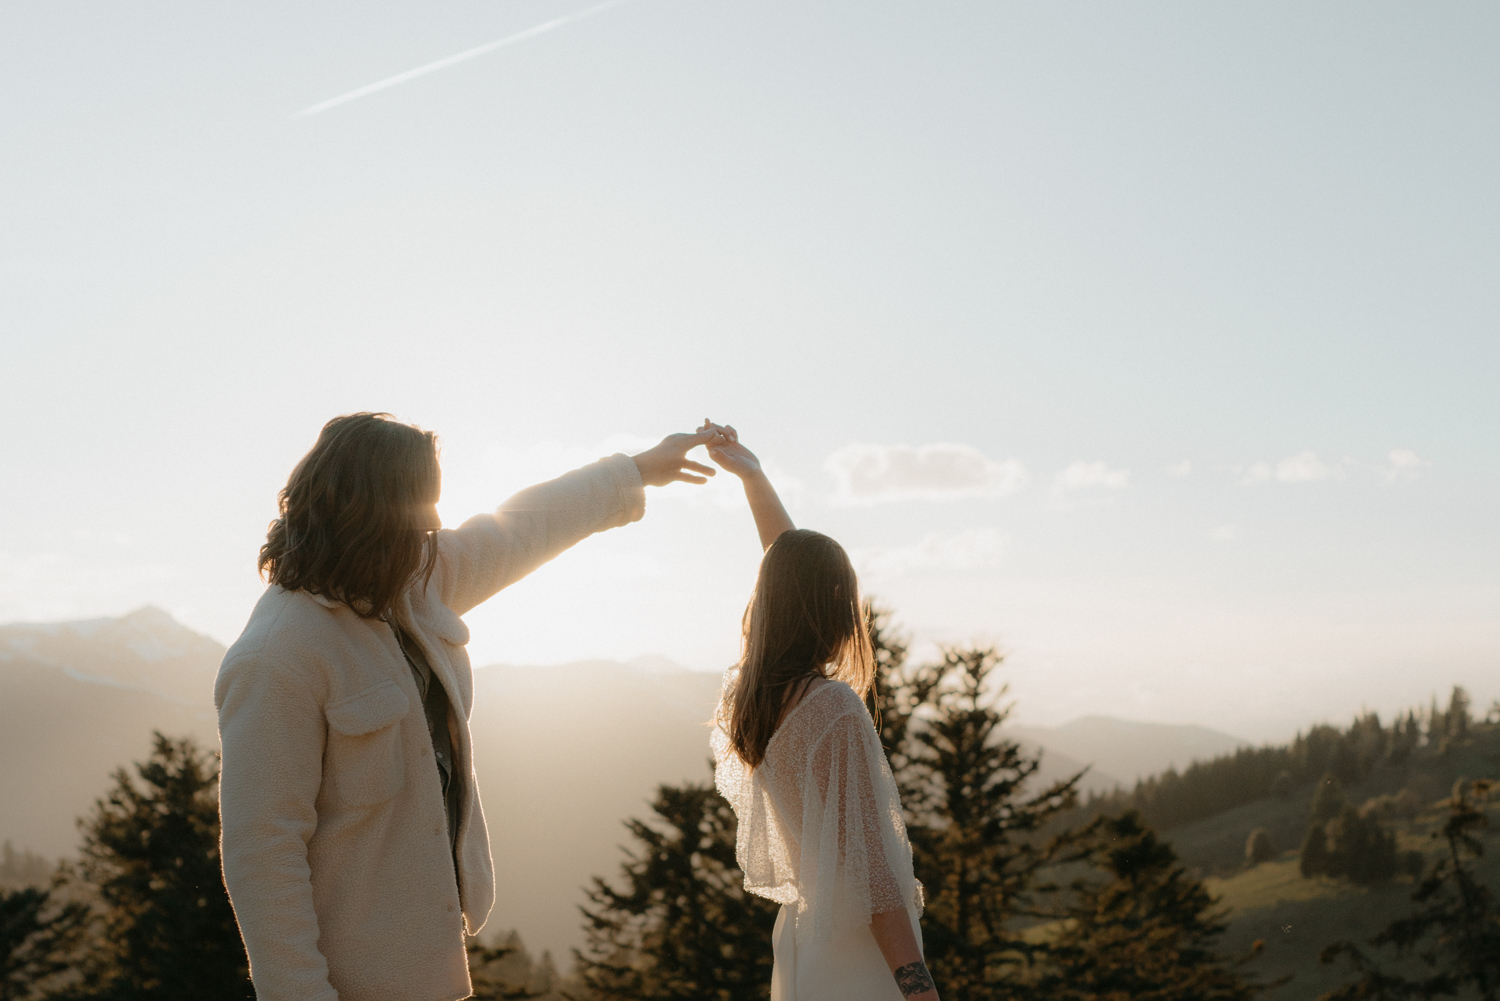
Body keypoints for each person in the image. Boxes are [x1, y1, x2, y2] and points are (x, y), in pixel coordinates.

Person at [215, 412, 723, 1001]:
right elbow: (262, 853)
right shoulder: (276, 657)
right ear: (364, 514)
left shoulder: (407, 583)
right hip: (354, 981)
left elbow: (523, 527)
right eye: (418, 509)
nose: (433, 526)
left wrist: (637, 470)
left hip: (431, 962)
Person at [704, 420, 939, 1001]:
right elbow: (875, 877)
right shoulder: (830, 707)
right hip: (858, 955)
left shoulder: (754, 698)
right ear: (835, 608)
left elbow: (786, 570)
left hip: (806, 942)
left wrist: (753, 479)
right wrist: (919, 989)